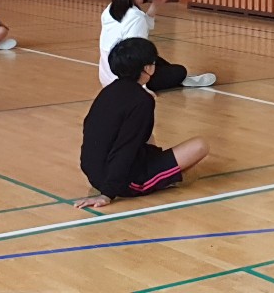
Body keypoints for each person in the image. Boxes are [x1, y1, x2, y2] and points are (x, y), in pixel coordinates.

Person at [75, 38, 210, 208]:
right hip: (124, 181)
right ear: (148, 68)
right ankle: (165, 179)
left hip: (93, 172)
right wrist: (107, 193)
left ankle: (164, 173)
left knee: (150, 139)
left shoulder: (108, 91)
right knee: (199, 147)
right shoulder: (142, 100)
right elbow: (126, 147)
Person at [99, 0, 215, 91]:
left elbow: (143, 24)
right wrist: (141, 88)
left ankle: (178, 78)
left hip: (108, 75)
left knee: (157, 60)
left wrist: (155, 5)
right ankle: (181, 78)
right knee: (180, 71)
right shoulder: (136, 17)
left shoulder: (111, 9)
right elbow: (137, 54)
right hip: (127, 78)